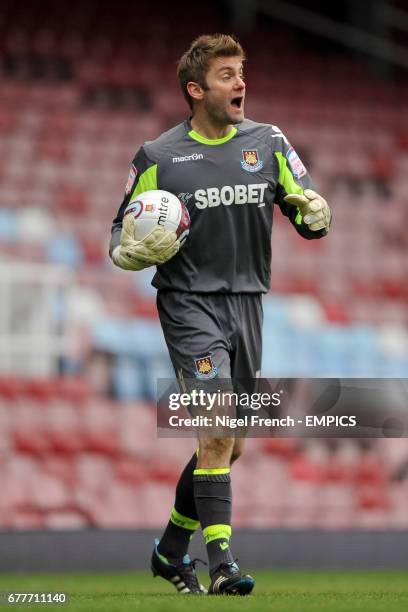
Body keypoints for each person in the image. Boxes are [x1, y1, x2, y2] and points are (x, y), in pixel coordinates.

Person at [109, 33, 331, 596]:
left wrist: (315, 215)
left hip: (249, 303)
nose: (241, 83)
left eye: (242, 72)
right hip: (188, 304)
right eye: (228, 75)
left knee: (232, 444)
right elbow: (120, 232)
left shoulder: (269, 142)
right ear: (196, 89)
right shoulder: (156, 157)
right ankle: (223, 562)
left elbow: (306, 214)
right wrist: (125, 251)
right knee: (214, 429)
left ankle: (169, 551)